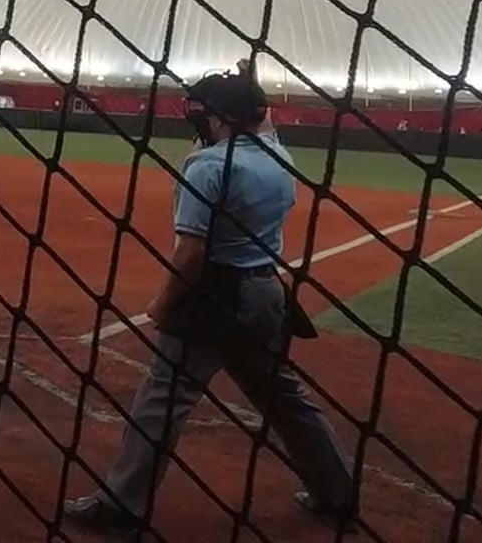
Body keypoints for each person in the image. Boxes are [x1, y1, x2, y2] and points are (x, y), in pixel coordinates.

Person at [61, 68, 354, 534]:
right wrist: (246, 88)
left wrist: (162, 304)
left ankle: (122, 506)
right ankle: (337, 493)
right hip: (266, 296)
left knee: (162, 398)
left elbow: (192, 251)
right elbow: (261, 120)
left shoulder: (208, 167)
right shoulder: (279, 155)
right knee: (284, 399)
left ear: (221, 118)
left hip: (214, 296)